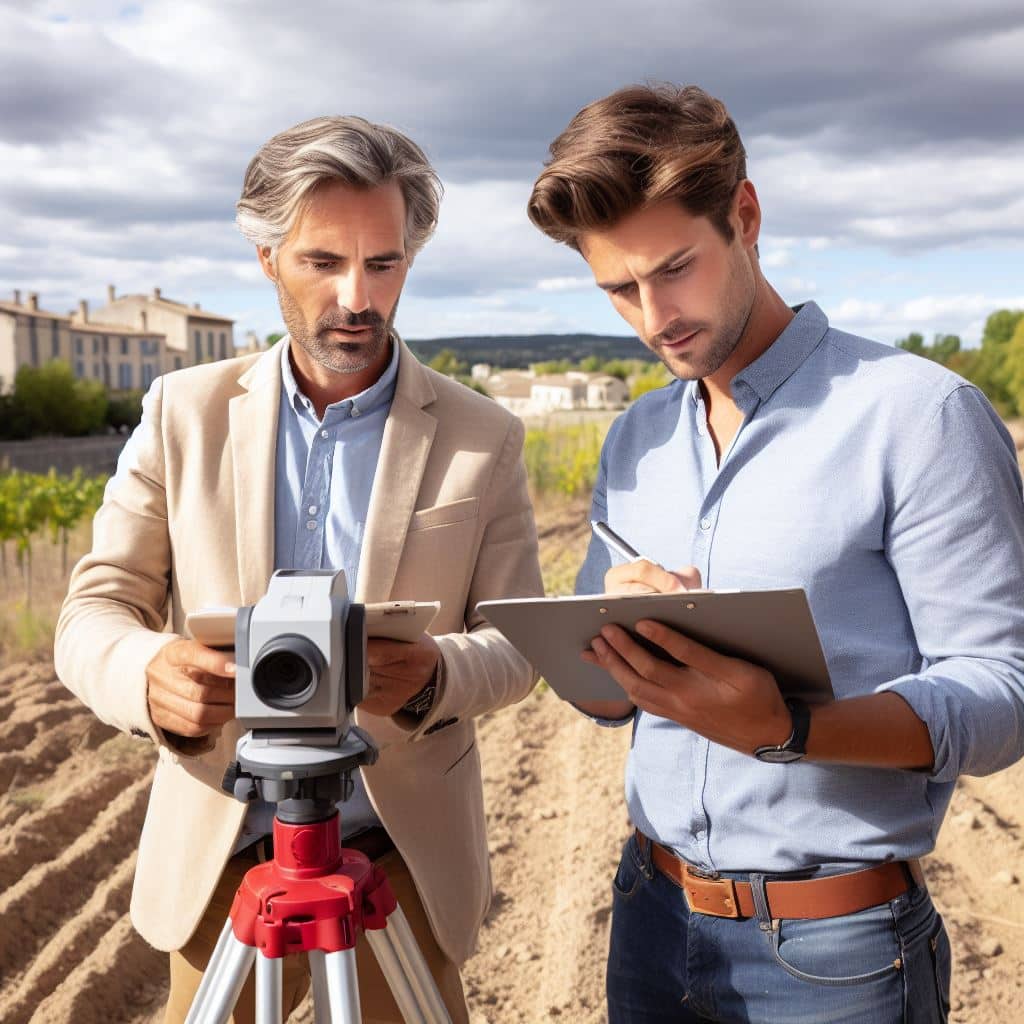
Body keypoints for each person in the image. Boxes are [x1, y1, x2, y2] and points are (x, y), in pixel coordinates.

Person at [527, 84, 1024, 1024]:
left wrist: (789, 728)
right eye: (618, 289)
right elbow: (596, 704)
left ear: (745, 216)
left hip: (836, 957)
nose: (652, 316)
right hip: (649, 920)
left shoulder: (920, 415)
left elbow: (1005, 690)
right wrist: (606, 638)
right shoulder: (632, 439)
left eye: (675, 268)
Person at [55, 115, 543, 1024]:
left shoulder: (484, 435)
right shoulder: (182, 412)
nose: (359, 296)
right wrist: (146, 674)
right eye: (323, 262)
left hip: (398, 859)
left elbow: (519, 639)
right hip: (223, 854)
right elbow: (93, 612)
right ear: (266, 254)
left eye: (385, 263)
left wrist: (437, 675)